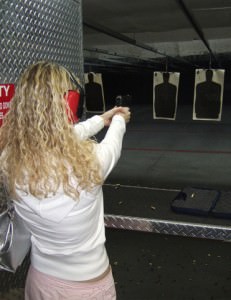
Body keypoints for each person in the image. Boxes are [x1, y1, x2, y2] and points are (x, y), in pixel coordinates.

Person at [0, 61, 131, 300]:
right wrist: (120, 118)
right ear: (66, 103)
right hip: (88, 287)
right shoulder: (89, 164)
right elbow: (113, 145)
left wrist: (101, 120)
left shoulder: (9, 158)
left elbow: (57, 137)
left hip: (41, 281)